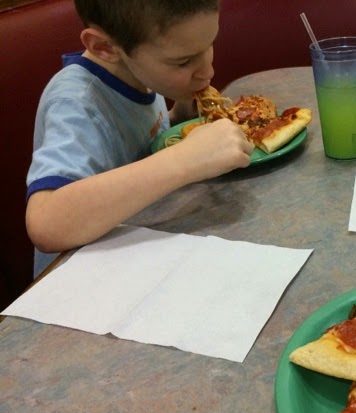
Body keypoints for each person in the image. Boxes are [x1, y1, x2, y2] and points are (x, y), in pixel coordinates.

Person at [26, 0, 253, 276]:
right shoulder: (77, 103)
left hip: (142, 251)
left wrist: (178, 117)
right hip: (83, 281)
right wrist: (185, 159)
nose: (208, 71)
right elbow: (46, 223)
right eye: (183, 61)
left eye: (210, 44)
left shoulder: (138, 72)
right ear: (105, 48)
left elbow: (137, 144)